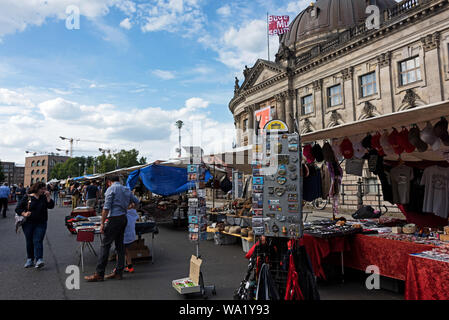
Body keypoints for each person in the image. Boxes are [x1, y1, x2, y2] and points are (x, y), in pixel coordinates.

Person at [85, 176, 139, 282]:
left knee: (105, 245)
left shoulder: (111, 189)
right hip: (123, 218)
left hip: (114, 219)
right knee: (120, 246)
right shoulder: (126, 189)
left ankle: (99, 274)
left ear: (109, 182)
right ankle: (119, 273)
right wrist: (129, 207)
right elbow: (136, 202)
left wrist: (102, 224)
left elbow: (106, 208)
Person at [15, 182, 55, 268]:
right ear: (37, 188)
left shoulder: (44, 197)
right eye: (42, 189)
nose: (44, 191)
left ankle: (39, 259)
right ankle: (30, 259)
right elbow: (18, 208)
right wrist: (24, 213)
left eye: (45, 189)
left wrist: (48, 197)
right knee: (29, 241)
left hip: (41, 222)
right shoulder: (28, 197)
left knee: (38, 240)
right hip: (28, 223)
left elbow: (51, 206)